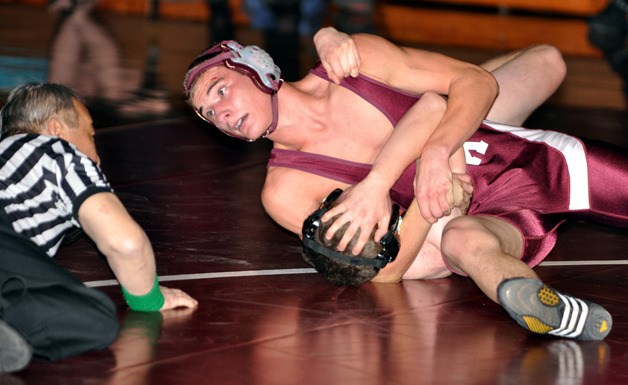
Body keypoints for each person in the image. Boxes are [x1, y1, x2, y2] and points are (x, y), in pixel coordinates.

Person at [182, 28, 588, 336]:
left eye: (219, 92)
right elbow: (381, 268)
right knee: (459, 243)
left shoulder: (352, 64)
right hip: (455, 213)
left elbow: (472, 84)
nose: (221, 115)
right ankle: (551, 310)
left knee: (548, 60)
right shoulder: (283, 191)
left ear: (257, 69)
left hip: (477, 141)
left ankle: (464, 152)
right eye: (209, 114)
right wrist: (436, 198)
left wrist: (440, 154)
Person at [0, 83, 198, 373]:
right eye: (90, 134)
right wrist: (149, 298)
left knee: (71, 315)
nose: (97, 154)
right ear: (56, 129)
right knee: (94, 318)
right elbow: (125, 242)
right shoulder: (58, 150)